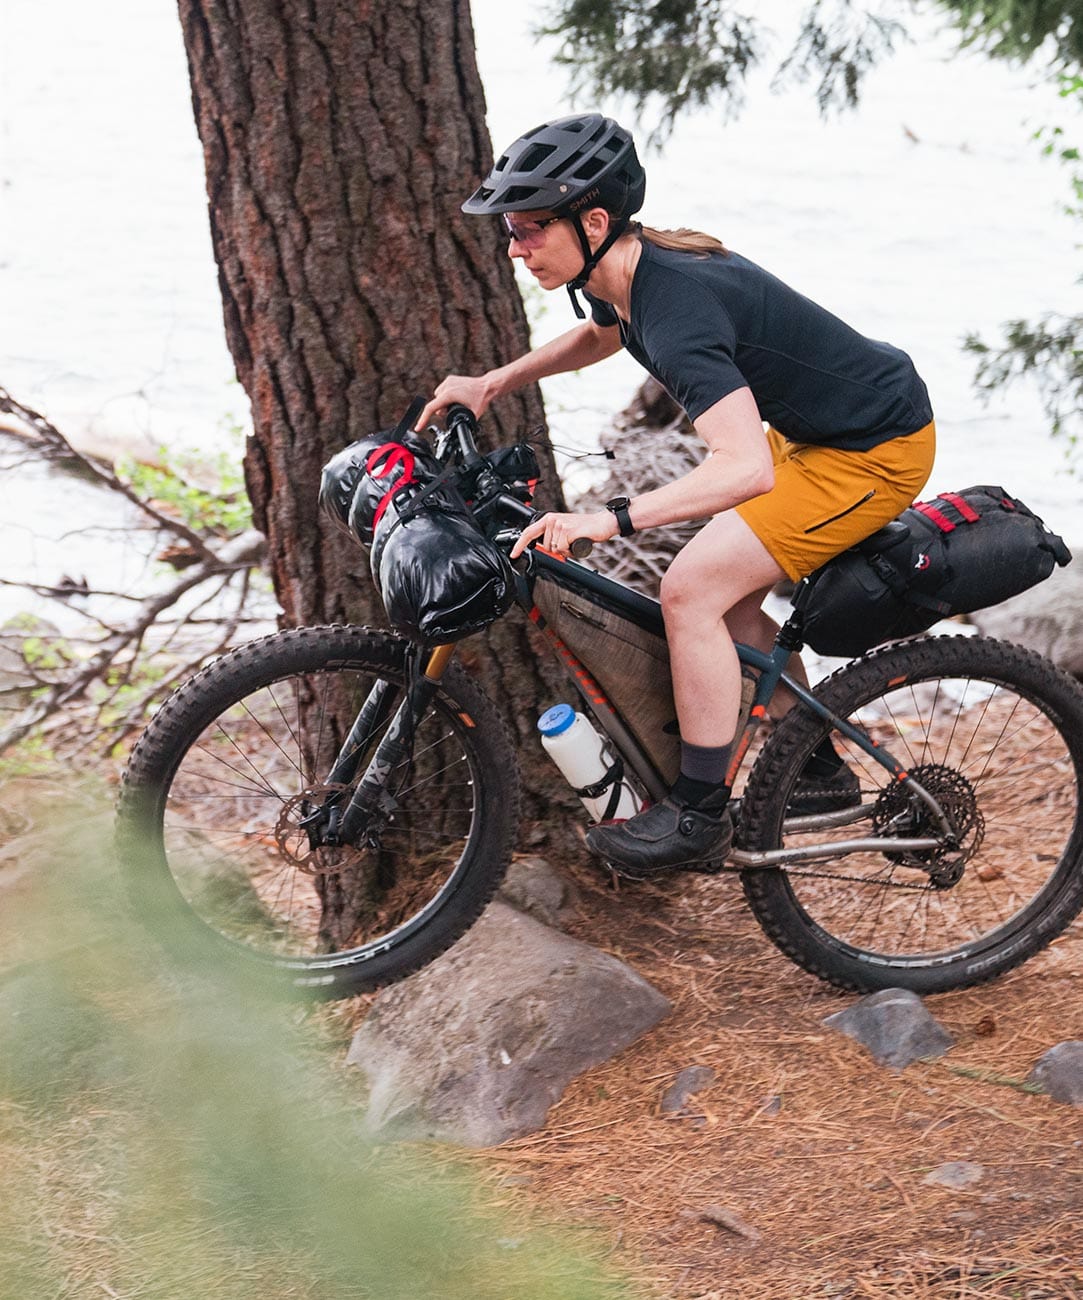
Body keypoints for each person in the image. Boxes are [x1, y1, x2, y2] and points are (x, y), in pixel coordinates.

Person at [415, 112, 935, 880]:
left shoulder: (676, 305)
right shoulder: (624, 270)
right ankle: (818, 769)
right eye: (511, 231)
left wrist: (605, 518)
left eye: (528, 230)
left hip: (874, 453)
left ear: (591, 221)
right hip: (821, 436)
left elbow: (742, 468)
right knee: (727, 601)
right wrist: (495, 382)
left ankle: (697, 814)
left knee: (688, 591)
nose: (514, 247)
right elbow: (604, 334)